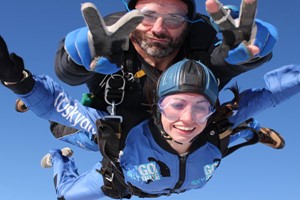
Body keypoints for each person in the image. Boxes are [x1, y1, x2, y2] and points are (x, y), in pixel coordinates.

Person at [1, 34, 296, 198]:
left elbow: (273, 92)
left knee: (231, 126)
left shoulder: (212, 125)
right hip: (120, 173)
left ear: (210, 108)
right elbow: (58, 105)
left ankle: (253, 132)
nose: (188, 120)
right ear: (159, 107)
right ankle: (59, 157)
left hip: (145, 177)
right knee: (70, 152)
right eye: (176, 105)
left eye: (201, 107)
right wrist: (19, 81)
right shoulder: (125, 135)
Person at [49, 0, 278, 151]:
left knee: (215, 134)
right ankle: (30, 96)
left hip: (186, 123)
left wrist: (252, 51)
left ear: (187, 23)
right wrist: (76, 60)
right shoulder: (110, 37)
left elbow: (225, 59)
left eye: (174, 18)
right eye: (147, 15)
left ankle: (252, 130)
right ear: (131, 15)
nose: (158, 29)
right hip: (121, 119)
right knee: (66, 126)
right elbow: (68, 72)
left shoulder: (202, 38)